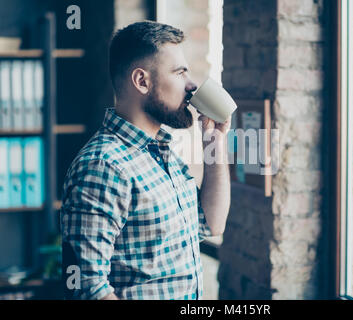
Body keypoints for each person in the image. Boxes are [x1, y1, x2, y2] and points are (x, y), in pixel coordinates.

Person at [60, 20, 231, 300]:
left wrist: (215, 143)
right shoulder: (103, 165)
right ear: (141, 81)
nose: (192, 85)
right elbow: (88, 288)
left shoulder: (161, 153)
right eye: (179, 73)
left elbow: (211, 224)